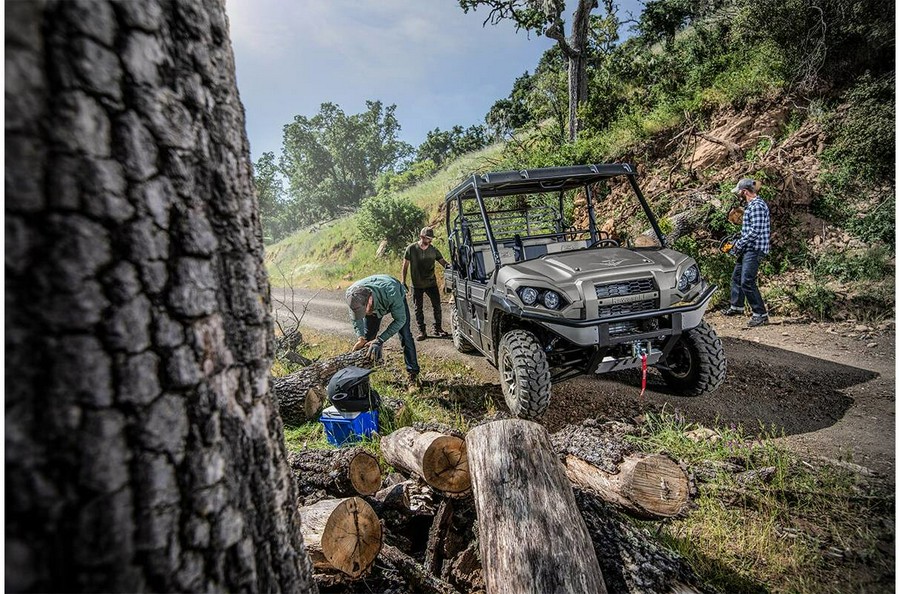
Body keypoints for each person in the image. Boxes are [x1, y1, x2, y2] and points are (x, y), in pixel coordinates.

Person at [345, 274, 420, 386]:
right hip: (373, 300)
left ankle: (413, 375)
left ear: (369, 300)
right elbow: (356, 319)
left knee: (405, 335)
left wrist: (380, 340)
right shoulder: (351, 294)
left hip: (391, 292)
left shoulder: (392, 292)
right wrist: (361, 337)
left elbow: (400, 320)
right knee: (368, 339)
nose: (363, 315)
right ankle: (364, 377)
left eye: (363, 311)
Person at [723, 178, 771, 327]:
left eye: (739, 193)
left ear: (744, 192)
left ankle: (760, 314)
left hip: (754, 249)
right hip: (748, 247)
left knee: (747, 282)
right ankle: (737, 306)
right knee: (737, 277)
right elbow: (751, 229)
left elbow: (755, 231)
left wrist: (738, 244)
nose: (738, 195)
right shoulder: (752, 205)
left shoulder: (756, 206)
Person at [402, 227, 450, 341]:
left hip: (431, 283)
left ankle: (437, 328)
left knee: (437, 306)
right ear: (422, 237)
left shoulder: (433, 250)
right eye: (428, 238)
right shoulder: (411, 249)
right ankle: (422, 331)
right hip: (416, 284)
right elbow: (405, 266)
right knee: (418, 308)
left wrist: (453, 268)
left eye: (431, 238)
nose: (430, 241)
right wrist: (403, 281)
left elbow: (443, 262)